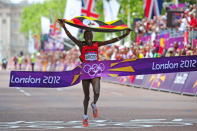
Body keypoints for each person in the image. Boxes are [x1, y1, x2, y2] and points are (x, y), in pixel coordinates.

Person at [58, 19, 131, 127]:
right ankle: (85, 116)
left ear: (92, 37)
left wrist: (124, 35)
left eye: (90, 35)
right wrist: (63, 26)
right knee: (86, 96)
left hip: (96, 72)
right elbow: (70, 37)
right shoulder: (81, 44)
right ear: (84, 37)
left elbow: (111, 41)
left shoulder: (97, 44)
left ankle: (94, 104)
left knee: (97, 92)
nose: (89, 37)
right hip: (85, 72)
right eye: (87, 36)